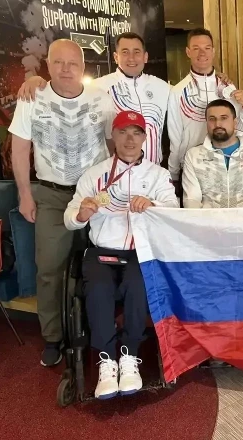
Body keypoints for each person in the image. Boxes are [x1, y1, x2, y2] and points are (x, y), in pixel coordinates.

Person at [9, 39, 115, 367]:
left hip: (93, 195)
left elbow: (114, 146)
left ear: (83, 68)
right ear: (48, 65)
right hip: (52, 195)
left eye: (73, 63)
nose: (66, 69)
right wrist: (25, 194)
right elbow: (19, 149)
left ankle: (98, 329)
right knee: (49, 269)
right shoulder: (32, 97)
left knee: (101, 264)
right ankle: (53, 337)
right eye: (58, 62)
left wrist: (113, 191)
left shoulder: (102, 99)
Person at [64, 110, 178, 399]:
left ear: (144, 138)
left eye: (136, 133)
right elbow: (69, 217)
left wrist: (152, 204)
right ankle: (106, 360)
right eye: (123, 132)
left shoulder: (158, 175)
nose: (130, 139)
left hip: (140, 251)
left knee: (138, 285)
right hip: (102, 251)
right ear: (112, 135)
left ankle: (129, 356)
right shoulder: (94, 174)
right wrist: (81, 214)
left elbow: (174, 209)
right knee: (98, 288)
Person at [17, 32, 171, 165]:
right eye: (125, 52)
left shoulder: (163, 87)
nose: (131, 58)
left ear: (145, 57)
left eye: (136, 52)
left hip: (154, 173)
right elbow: (64, 89)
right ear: (116, 57)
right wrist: (38, 81)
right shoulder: (97, 87)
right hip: (113, 174)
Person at [167, 28, 243, 188]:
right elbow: (175, 137)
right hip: (192, 167)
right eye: (196, 48)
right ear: (188, 52)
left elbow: (240, 129)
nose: (202, 53)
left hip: (227, 165)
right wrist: (173, 174)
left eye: (207, 48)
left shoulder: (228, 87)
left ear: (213, 51)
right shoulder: (178, 91)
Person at [182, 99, 243, 208]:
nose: (217, 124)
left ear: (235, 122)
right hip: (211, 218)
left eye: (224, 118)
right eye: (212, 119)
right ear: (207, 123)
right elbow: (191, 202)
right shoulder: (193, 156)